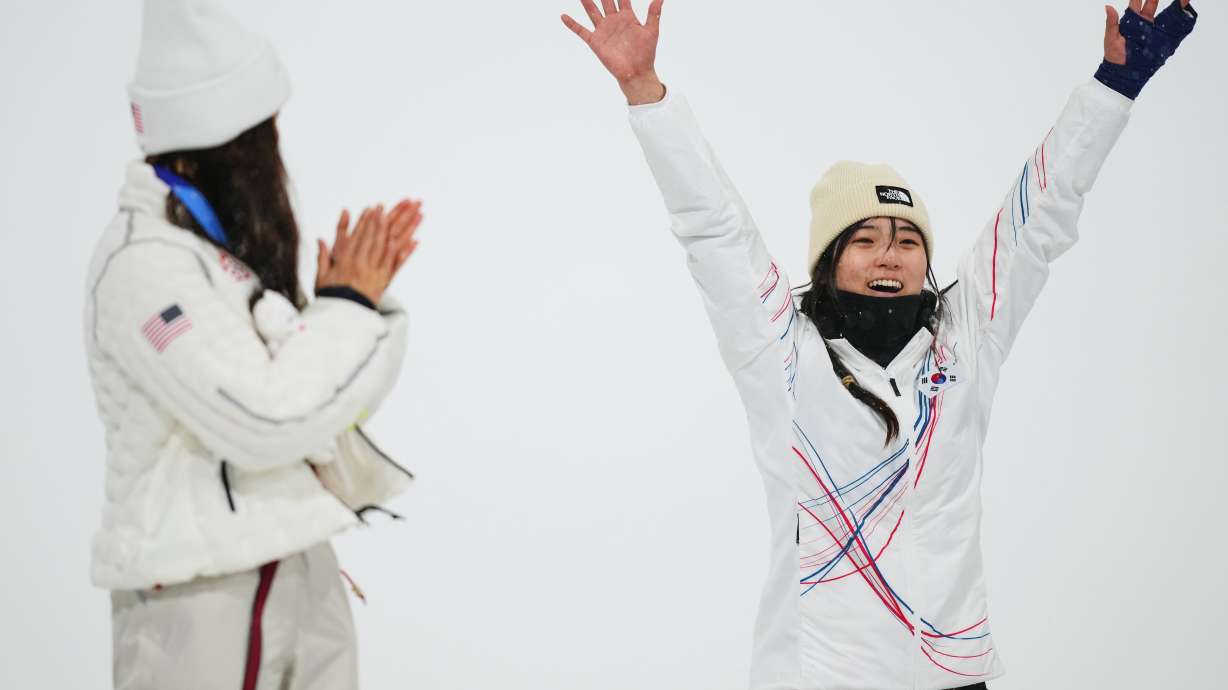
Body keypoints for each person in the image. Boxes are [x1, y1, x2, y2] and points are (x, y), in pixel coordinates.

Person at [561, 0, 1198, 688]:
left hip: (953, 675)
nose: (889, 257)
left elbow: (1038, 218)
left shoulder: (964, 339)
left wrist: (1114, 85)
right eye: (864, 240)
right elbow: (714, 229)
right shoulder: (783, 352)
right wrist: (646, 96)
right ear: (829, 259)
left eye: (907, 241)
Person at [83, 1, 422, 688]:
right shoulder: (145, 266)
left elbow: (327, 413)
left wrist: (349, 309)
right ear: (221, 145)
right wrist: (348, 309)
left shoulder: (217, 260)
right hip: (199, 594)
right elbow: (268, 418)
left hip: (296, 561)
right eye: (261, 137)